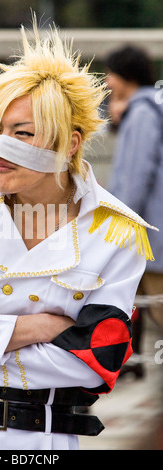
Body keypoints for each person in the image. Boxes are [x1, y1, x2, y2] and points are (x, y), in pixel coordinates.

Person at [0, 21, 156, 450]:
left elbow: (94, 360)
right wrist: (39, 326)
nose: (1, 149)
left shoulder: (117, 233)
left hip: (45, 440)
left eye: (23, 133)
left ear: (70, 143)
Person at [105, 45, 163, 376]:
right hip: (152, 231)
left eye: (112, 73)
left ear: (127, 75)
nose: (108, 81)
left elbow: (135, 177)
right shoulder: (149, 107)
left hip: (150, 234)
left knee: (156, 307)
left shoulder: (142, 113)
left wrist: (119, 225)